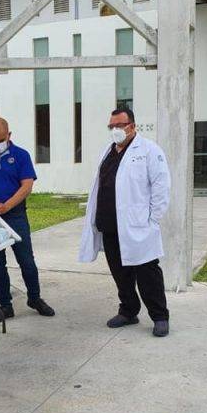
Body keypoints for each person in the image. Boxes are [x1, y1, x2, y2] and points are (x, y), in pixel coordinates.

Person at [79, 108, 171, 337]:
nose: (115, 130)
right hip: (110, 225)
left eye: (119, 125)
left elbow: (161, 187)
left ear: (132, 126)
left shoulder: (149, 150)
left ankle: (160, 316)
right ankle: (128, 310)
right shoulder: (108, 152)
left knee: (148, 274)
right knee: (120, 273)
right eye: (111, 126)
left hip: (138, 226)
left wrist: (152, 220)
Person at [0, 117, 55, 323]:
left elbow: (26, 186)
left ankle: (34, 298)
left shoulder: (21, 155)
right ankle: (5, 306)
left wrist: (7, 205)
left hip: (15, 216)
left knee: (27, 261)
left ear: (9, 135)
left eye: (1, 139)